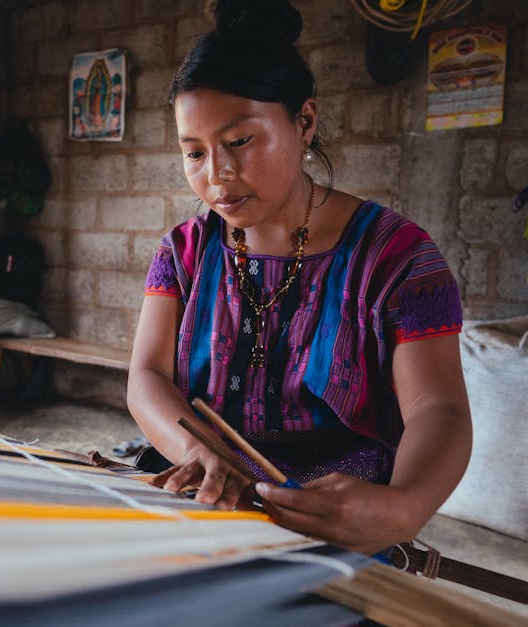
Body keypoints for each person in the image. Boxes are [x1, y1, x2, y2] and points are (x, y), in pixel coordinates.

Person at [126, 0, 472, 556]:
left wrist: (404, 506)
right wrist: (197, 450)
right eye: (194, 153)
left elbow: (439, 410)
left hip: (334, 517)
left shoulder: (397, 257)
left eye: (239, 142)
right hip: (209, 500)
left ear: (304, 121)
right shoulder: (184, 251)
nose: (216, 177)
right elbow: (146, 376)